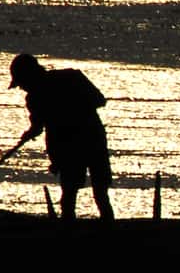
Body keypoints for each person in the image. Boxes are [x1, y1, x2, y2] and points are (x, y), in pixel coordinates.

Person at [8, 52, 113, 220]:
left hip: (84, 144)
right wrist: (31, 132)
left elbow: (99, 100)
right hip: (81, 144)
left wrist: (67, 111)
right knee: (83, 193)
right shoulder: (65, 81)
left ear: (30, 75)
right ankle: (94, 228)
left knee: (88, 192)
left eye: (22, 82)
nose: (21, 87)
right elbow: (37, 126)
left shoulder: (50, 89)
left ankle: (99, 231)